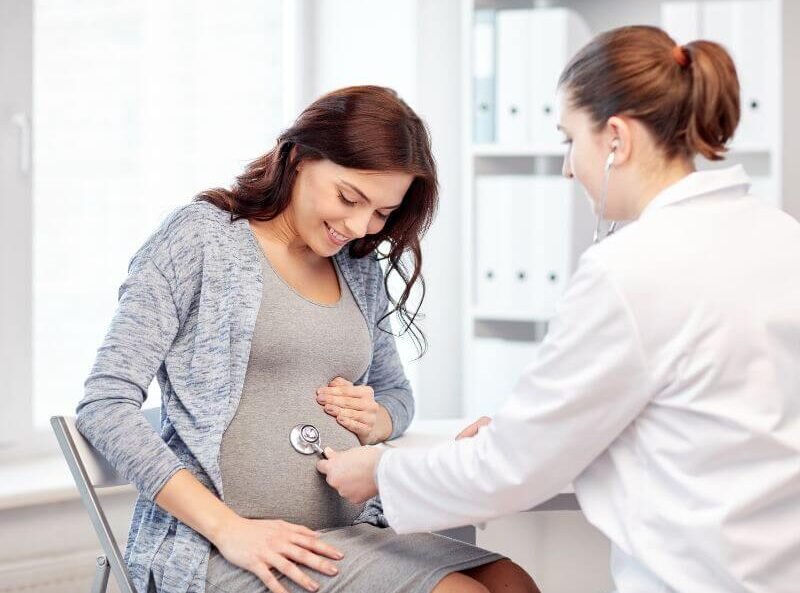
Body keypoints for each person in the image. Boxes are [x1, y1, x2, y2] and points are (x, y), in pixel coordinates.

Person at [317, 27, 800, 593]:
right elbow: (711, 412)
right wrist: (542, 427)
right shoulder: (780, 236)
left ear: (615, 138)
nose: (569, 168)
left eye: (570, 139)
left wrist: (381, 473)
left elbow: (512, 470)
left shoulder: (631, 270)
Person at [76, 86, 538, 593]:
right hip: (225, 548)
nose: (360, 226)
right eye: (348, 197)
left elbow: (397, 396)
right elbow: (104, 406)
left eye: (382, 213)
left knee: (512, 581)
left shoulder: (358, 269)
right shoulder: (201, 240)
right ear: (297, 158)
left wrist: (376, 417)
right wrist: (229, 531)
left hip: (353, 531)